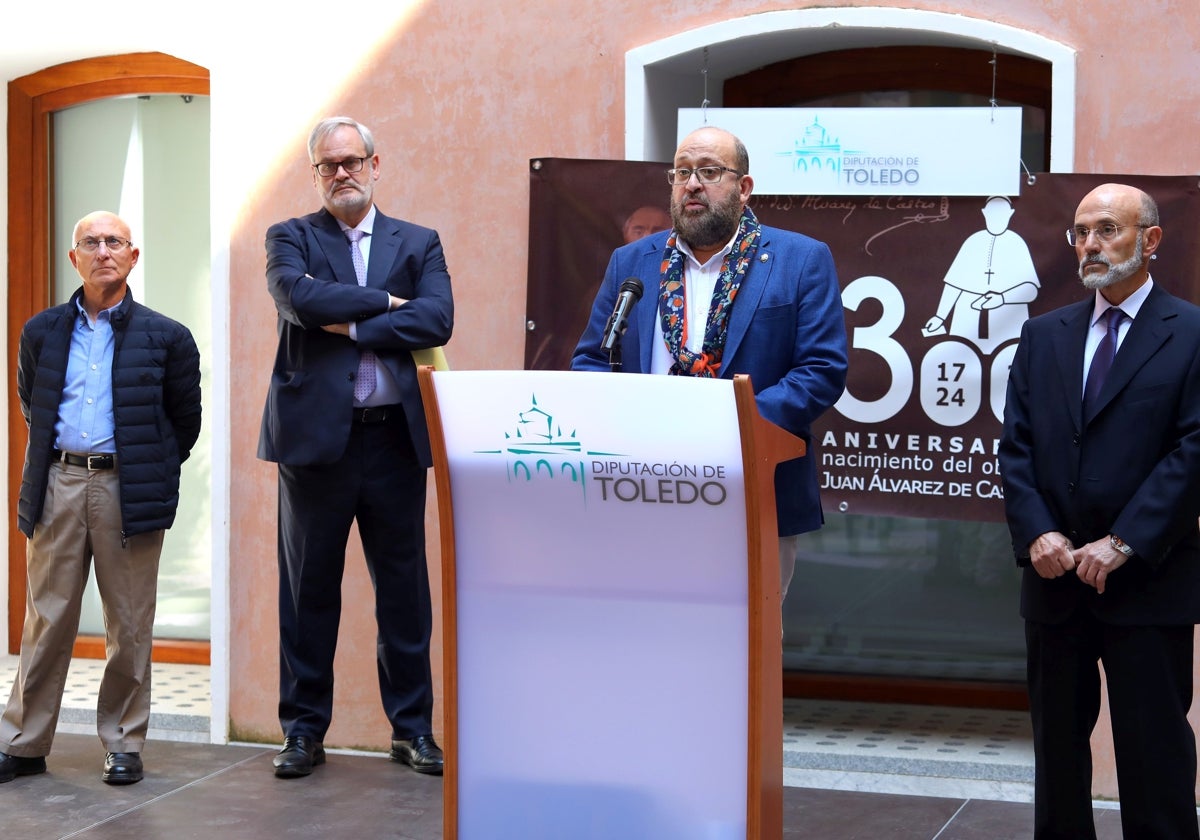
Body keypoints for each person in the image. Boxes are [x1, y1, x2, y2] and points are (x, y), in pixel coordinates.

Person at [998, 183, 1200, 839]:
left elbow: (1193, 450)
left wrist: (1124, 542)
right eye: (1080, 232)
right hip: (1055, 581)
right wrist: (1039, 537)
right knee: (1057, 758)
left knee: (1155, 758)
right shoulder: (1043, 334)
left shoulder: (1192, 333)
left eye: (1107, 229)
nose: (1089, 244)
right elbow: (1016, 448)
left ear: (1151, 240)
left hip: (1149, 579)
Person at [572, 125, 848, 600]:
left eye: (709, 171)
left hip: (751, 485)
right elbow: (593, 360)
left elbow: (821, 369)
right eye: (681, 173)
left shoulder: (799, 260)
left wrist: (729, 426)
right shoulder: (631, 262)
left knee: (745, 653)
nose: (692, 184)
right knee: (645, 627)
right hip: (643, 485)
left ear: (743, 188)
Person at [258, 116, 453, 779]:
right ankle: (303, 732)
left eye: (351, 161)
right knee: (308, 590)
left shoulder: (418, 241)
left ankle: (412, 730)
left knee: (404, 592)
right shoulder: (290, 237)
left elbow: (437, 317)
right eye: (327, 165)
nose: (341, 172)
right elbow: (296, 298)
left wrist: (347, 317)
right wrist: (386, 305)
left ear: (376, 163)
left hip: (394, 442)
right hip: (315, 447)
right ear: (315, 174)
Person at [0, 211, 202, 786]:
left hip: (127, 487)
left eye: (114, 242)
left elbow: (184, 420)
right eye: (90, 242)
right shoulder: (41, 331)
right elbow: (31, 403)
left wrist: (147, 468)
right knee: (46, 616)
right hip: (59, 483)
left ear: (133, 256)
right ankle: (23, 741)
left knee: (130, 622)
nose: (103, 251)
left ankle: (123, 743)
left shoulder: (168, 336)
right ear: (75, 259)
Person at [922, 195, 1040, 355]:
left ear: (1010, 214)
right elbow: (954, 284)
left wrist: (1002, 298)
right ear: (984, 213)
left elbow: (1031, 290)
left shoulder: (1017, 243)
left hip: (1008, 322)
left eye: (1002, 214)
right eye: (992, 213)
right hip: (967, 316)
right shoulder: (973, 241)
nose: (996, 219)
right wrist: (940, 317)